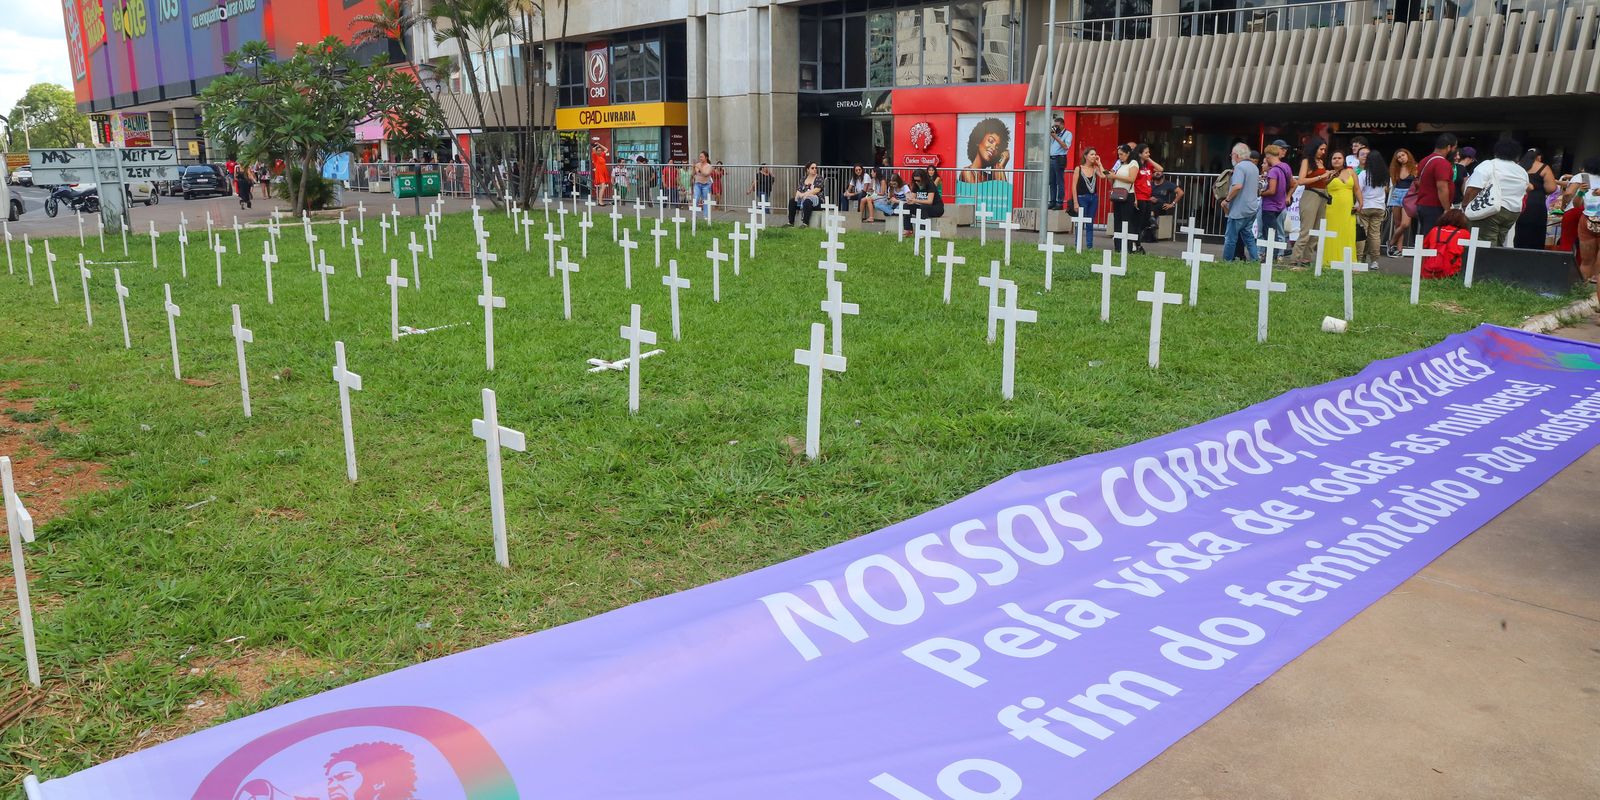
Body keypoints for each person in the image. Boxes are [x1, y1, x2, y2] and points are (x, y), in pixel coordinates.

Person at [1463, 138, 1533, 247]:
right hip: (1512, 213)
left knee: (1484, 245)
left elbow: (1472, 189)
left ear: (1496, 152)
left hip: (1490, 211)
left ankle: (1484, 263)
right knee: (1499, 244)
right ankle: (1496, 262)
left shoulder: (1489, 165)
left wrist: (1465, 207)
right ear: (1517, 156)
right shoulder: (1522, 171)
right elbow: (1525, 190)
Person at [1287, 138, 1331, 265]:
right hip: (1310, 195)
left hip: (1322, 195)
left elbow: (1322, 182)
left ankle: (1306, 258)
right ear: (1314, 148)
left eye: (1324, 149)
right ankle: (1295, 259)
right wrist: (1320, 176)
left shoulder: (1321, 161)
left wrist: (1328, 178)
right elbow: (1300, 181)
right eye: (1321, 149)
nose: (1323, 152)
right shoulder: (1307, 161)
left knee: (1316, 230)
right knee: (1306, 230)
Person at [1221, 142, 1261, 262]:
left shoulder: (1239, 167)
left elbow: (1237, 186)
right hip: (1252, 208)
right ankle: (1255, 260)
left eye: (1232, 154)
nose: (1231, 157)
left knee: (1230, 238)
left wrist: (1227, 199)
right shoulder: (1254, 167)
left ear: (1237, 155)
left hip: (1239, 209)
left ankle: (1226, 261)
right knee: (1248, 236)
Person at [1413, 132, 1458, 237]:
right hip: (1434, 207)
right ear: (1448, 147)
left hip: (1423, 204)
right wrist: (1447, 209)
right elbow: (1442, 187)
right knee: (1432, 238)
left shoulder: (1424, 160)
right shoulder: (1442, 163)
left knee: (1427, 236)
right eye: (1455, 148)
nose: (1455, 151)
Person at [1514, 148, 1559, 249]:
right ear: (1538, 157)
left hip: (1520, 201)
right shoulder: (1543, 167)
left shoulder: (1518, 166)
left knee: (1520, 230)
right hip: (1537, 202)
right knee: (1536, 232)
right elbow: (1551, 188)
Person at [1321, 151, 1357, 270]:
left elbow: (1357, 189)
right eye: (1334, 158)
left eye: (1339, 158)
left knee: (1348, 233)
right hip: (1332, 208)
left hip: (1348, 208)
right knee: (1331, 233)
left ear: (1344, 160)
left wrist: (1360, 203)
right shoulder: (1327, 173)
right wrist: (1329, 178)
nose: (1337, 160)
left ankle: (1347, 261)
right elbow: (1322, 187)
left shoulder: (1351, 171)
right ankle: (1329, 261)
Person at [1421, 208, 1473, 279]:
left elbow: (1424, 249)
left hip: (1428, 272)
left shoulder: (1435, 230)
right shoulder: (1464, 233)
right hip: (1450, 273)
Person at [1357, 149, 1389, 263]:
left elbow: (1358, 191)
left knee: (1362, 234)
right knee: (1375, 234)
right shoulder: (1385, 175)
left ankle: (1359, 258)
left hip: (1365, 206)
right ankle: (1374, 261)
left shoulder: (1363, 174)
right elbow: (1386, 190)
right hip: (1379, 207)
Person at [1260, 143, 1293, 244]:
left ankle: (1271, 256)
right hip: (1281, 205)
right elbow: (1293, 183)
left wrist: (1260, 193)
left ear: (1269, 156)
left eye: (1266, 156)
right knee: (1279, 232)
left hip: (1269, 206)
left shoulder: (1273, 171)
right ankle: (1278, 255)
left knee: (1269, 234)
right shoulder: (1285, 166)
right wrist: (1288, 196)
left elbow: (1271, 190)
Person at [1385, 149, 1416, 257]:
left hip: (1409, 196)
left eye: (1403, 155)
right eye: (1398, 157)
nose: (1401, 158)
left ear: (1408, 155)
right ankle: (1399, 249)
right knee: (1398, 224)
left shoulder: (1415, 168)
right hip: (1397, 194)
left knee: (1405, 224)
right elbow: (1392, 184)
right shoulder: (1395, 169)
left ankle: (1391, 242)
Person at [1109, 144, 1139, 250]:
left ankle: (1128, 247)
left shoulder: (1133, 163)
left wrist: (1115, 176)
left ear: (1128, 154)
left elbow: (1131, 179)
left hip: (1127, 194)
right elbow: (1113, 179)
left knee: (1126, 221)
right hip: (1117, 193)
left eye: (1122, 154)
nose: (1120, 157)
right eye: (1119, 155)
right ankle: (1118, 246)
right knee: (1117, 220)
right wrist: (1111, 176)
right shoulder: (1119, 164)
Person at [1071, 147, 1103, 248]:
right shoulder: (1078, 168)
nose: (1094, 156)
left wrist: (1100, 163)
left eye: (1095, 154)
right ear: (1086, 156)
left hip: (1093, 198)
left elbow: (1104, 176)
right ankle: (1078, 245)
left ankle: (1089, 245)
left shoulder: (1095, 169)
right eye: (1092, 154)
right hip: (1082, 198)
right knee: (1080, 222)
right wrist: (1075, 202)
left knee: (1090, 222)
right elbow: (1074, 186)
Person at [1132, 144, 1160, 251]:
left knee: (1145, 221)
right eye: (1146, 152)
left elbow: (1160, 169)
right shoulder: (1136, 165)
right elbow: (1133, 182)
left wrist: (1149, 159)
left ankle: (1137, 241)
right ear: (1140, 154)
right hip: (1139, 196)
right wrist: (1134, 198)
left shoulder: (1148, 166)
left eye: (1148, 152)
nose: (1148, 154)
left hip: (1147, 197)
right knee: (1138, 222)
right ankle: (1136, 243)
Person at [1147, 166, 1183, 241]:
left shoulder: (1168, 184)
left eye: (1159, 171)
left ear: (1162, 173)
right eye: (1155, 172)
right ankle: (1152, 221)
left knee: (1158, 205)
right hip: (1149, 204)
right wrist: (1149, 198)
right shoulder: (1149, 183)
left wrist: (1172, 204)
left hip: (1161, 205)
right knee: (1147, 205)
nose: (1157, 173)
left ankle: (1152, 220)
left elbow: (1180, 192)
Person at [788, 162, 824, 227]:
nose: (815, 169)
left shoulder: (819, 178)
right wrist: (799, 196)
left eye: (816, 168)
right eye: (812, 168)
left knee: (807, 201)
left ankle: (805, 223)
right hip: (803, 199)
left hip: (816, 200)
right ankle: (791, 222)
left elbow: (816, 190)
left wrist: (804, 195)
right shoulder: (803, 178)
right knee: (792, 201)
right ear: (807, 169)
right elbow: (799, 190)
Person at [1048, 116, 1070, 210]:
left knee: (1059, 181)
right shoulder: (1054, 133)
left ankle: (1059, 202)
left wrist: (1055, 137)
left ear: (1062, 124)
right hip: (1052, 159)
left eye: (1057, 125)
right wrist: (1053, 135)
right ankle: (1052, 201)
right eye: (1054, 125)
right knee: (1051, 181)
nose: (1055, 127)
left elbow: (1066, 147)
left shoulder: (1068, 134)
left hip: (1060, 158)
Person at [691, 151, 714, 221]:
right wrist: (693, 167)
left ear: (706, 157)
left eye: (702, 157)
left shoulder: (709, 166)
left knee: (705, 200)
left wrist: (699, 167)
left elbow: (706, 174)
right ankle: (694, 216)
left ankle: (706, 216)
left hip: (706, 185)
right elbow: (694, 173)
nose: (700, 158)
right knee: (696, 198)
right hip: (697, 184)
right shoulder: (697, 164)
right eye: (700, 157)